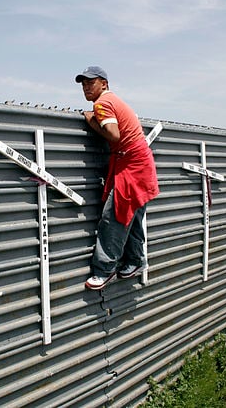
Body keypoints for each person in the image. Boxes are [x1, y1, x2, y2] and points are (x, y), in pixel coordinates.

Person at [75, 66, 159, 290]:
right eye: (83, 84)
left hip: (132, 167)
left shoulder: (102, 104)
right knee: (131, 216)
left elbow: (113, 134)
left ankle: (104, 270)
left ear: (104, 83)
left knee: (115, 217)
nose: (86, 87)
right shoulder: (115, 101)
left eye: (90, 83)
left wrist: (91, 122)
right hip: (138, 164)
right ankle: (134, 261)